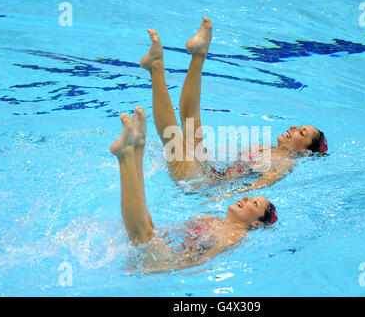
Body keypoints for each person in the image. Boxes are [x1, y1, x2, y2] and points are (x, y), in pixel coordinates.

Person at [139, 16, 328, 197]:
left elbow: (261, 185)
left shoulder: (285, 163)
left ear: (304, 151)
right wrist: (200, 152)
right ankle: (199, 53)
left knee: (172, 138)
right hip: (210, 174)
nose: (292, 128)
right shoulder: (265, 147)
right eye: (298, 127)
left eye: (301, 133)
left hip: (200, 186)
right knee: (192, 124)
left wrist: (224, 197)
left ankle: (156, 67)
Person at [110, 107, 277, 272]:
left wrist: (161, 268)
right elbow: (172, 233)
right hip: (165, 252)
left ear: (256, 223)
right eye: (249, 198)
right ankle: (136, 147)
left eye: (254, 204)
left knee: (142, 234)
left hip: (167, 262)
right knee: (146, 225)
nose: (245, 199)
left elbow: (201, 263)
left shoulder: (234, 237)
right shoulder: (214, 220)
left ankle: (127, 156)